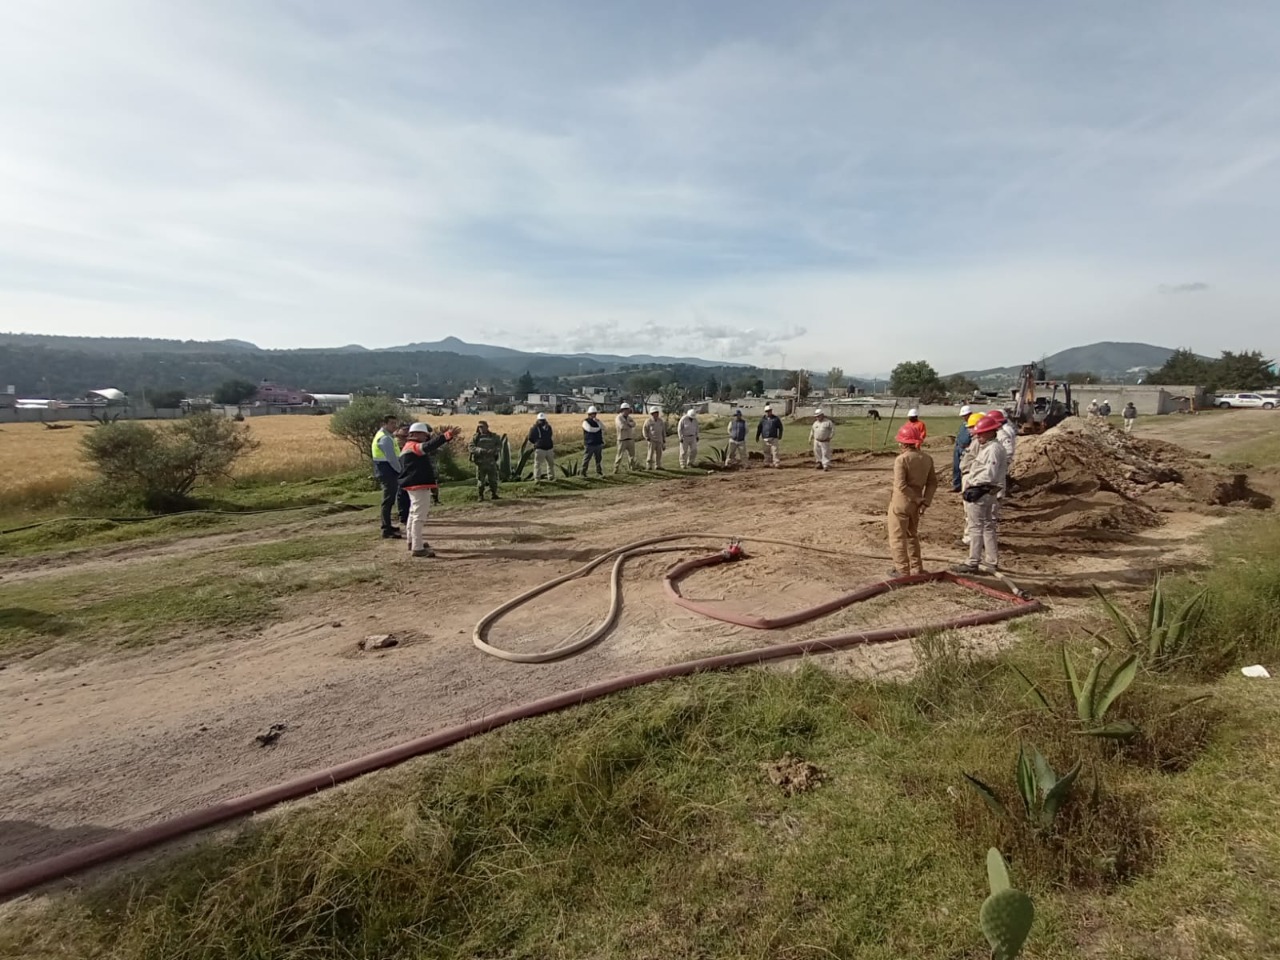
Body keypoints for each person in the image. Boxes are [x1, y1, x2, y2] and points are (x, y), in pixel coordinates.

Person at [954, 414, 1009, 574]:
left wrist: (972, 483)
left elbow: (989, 474)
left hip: (981, 491)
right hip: (986, 491)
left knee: (976, 528)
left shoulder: (993, 450)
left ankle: (973, 561)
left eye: (980, 434)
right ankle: (991, 561)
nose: (977, 437)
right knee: (987, 526)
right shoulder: (991, 447)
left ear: (991, 432)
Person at [398, 422, 458, 557]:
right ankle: (417, 548)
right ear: (415, 434)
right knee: (419, 516)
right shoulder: (414, 446)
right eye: (424, 435)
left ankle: (412, 541)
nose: (426, 437)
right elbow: (428, 446)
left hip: (413, 484)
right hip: (418, 484)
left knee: (413, 513)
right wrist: (446, 436)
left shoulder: (408, 446)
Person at [888, 422, 937, 576]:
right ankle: (917, 568)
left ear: (903, 443)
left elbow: (901, 485)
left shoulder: (901, 460)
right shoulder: (927, 458)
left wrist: (915, 499)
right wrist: (924, 501)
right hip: (916, 505)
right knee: (912, 535)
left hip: (901, 502)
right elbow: (932, 483)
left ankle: (902, 570)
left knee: (897, 537)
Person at [371, 415, 410, 539]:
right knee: (388, 501)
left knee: (389, 500)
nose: (394, 426)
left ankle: (388, 526)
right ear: (384, 424)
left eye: (395, 423)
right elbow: (392, 459)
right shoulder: (385, 438)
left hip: (385, 470)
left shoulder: (386, 436)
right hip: (387, 471)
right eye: (391, 423)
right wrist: (400, 471)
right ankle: (386, 529)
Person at [469, 421, 502, 500]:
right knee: (481, 480)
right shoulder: (476, 437)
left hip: (491, 462)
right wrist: (480, 450)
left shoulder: (494, 436)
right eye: (479, 427)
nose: (481, 428)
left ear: (487, 427)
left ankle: (494, 494)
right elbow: (471, 447)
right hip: (480, 463)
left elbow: (499, 445)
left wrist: (494, 450)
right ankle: (480, 495)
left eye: (482, 427)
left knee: (493, 479)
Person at [527, 412, 556, 481]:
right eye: (540, 420)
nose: (541, 422)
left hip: (549, 448)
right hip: (540, 449)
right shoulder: (534, 428)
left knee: (550, 464)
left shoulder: (548, 427)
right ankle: (537, 478)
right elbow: (530, 437)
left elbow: (550, 435)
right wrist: (537, 443)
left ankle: (551, 477)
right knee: (538, 464)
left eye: (543, 420)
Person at [952, 405, 973, 492]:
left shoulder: (973, 424)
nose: (964, 417)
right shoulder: (963, 425)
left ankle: (966, 486)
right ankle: (957, 485)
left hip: (966, 448)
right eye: (963, 416)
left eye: (965, 415)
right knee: (956, 467)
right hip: (958, 447)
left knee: (965, 467)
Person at [581, 406, 605, 476]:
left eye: (594, 414)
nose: (594, 415)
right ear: (589, 414)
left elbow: (604, 427)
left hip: (598, 443)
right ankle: (583, 472)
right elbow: (590, 429)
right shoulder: (585, 422)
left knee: (598, 459)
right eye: (592, 414)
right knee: (586, 458)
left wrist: (599, 422)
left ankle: (599, 471)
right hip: (589, 444)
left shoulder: (597, 421)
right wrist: (599, 428)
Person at [614, 402, 637, 472]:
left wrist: (628, 423)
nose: (627, 411)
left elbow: (634, 424)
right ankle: (616, 468)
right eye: (625, 410)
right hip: (622, 439)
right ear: (622, 410)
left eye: (628, 410)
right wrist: (629, 425)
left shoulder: (629, 417)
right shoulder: (618, 418)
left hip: (630, 438)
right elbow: (622, 426)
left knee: (632, 455)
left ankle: (632, 468)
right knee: (619, 455)